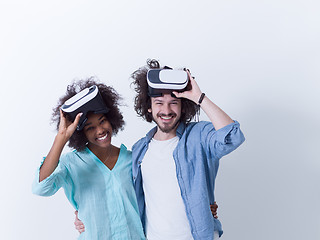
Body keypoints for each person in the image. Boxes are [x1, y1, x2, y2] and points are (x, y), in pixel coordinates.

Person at [129, 59, 245, 239]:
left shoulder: (199, 136)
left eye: (174, 103)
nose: (166, 110)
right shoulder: (138, 150)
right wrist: (81, 216)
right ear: (149, 108)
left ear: (183, 107)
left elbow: (232, 137)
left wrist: (199, 97)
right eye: (159, 103)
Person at [32, 78, 146, 239]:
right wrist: (61, 138)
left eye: (103, 121)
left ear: (111, 119)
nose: (100, 130)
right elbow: (40, 188)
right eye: (90, 128)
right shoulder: (70, 164)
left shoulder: (132, 160)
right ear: (81, 133)